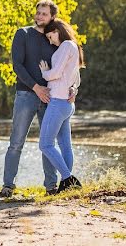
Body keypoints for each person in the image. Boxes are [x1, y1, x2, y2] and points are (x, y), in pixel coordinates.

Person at [0, 0, 68, 198]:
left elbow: (66, 66)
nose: (39, 16)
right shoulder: (23, 34)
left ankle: (51, 187)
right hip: (26, 94)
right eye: (38, 12)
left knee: (48, 143)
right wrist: (36, 88)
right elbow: (17, 66)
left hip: (50, 97)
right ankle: (8, 186)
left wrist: (73, 88)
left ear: (52, 17)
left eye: (44, 14)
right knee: (16, 142)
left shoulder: (54, 39)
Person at [38, 18, 85, 193]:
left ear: (57, 30)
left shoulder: (66, 45)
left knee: (45, 144)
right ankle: (68, 185)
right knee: (65, 145)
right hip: (66, 104)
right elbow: (76, 77)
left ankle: (68, 178)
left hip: (58, 103)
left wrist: (44, 72)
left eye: (51, 37)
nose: (50, 41)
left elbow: (56, 73)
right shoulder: (73, 47)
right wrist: (73, 87)